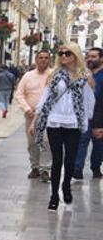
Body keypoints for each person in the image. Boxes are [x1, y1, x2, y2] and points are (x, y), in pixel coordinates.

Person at [31, 43, 96, 212]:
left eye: (68, 53)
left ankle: (66, 186)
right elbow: (45, 98)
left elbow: (89, 101)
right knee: (57, 159)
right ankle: (54, 196)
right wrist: (36, 120)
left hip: (73, 122)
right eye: (61, 53)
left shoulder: (85, 76)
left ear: (75, 55)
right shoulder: (54, 75)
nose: (63, 56)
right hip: (54, 121)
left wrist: (86, 121)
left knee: (70, 159)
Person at [15, 50, 53, 182]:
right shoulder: (28, 76)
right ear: (36, 60)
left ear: (49, 60)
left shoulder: (53, 75)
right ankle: (35, 167)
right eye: (40, 57)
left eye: (46, 58)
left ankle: (45, 169)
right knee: (32, 143)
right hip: (30, 115)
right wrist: (26, 109)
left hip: (48, 116)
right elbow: (19, 93)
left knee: (46, 141)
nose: (43, 60)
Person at [73, 47, 103, 179]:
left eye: (94, 56)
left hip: (100, 115)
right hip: (84, 115)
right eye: (88, 56)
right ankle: (77, 168)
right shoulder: (82, 74)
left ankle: (96, 167)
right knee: (81, 141)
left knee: (99, 144)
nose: (90, 59)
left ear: (101, 59)